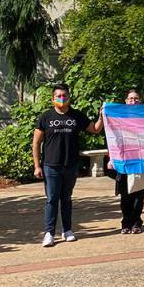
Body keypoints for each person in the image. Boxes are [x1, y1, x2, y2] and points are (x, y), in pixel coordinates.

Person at [32, 83, 104, 247]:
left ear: (69, 98)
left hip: (70, 165)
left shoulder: (76, 115)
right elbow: (36, 142)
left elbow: (94, 129)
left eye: (64, 95)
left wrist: (102, 117)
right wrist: (37, 165)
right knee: (51, 199)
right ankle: (49, 233)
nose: (62, 98)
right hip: (51, 165)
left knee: (66, 199)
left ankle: (67, 230)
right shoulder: (46, 117)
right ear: (53, 99)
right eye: (58, 96)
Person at [106, 88, 144, 234]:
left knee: (138, 193)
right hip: (123, 160)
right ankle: (126, 222)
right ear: (125, 101)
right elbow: (111, 137)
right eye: (130, 99)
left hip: (140, 160)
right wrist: (112, 157)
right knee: (125, 194)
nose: (133, 101)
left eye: (136, 99)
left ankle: (136, 222)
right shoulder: (118, 117)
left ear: (140, 101)